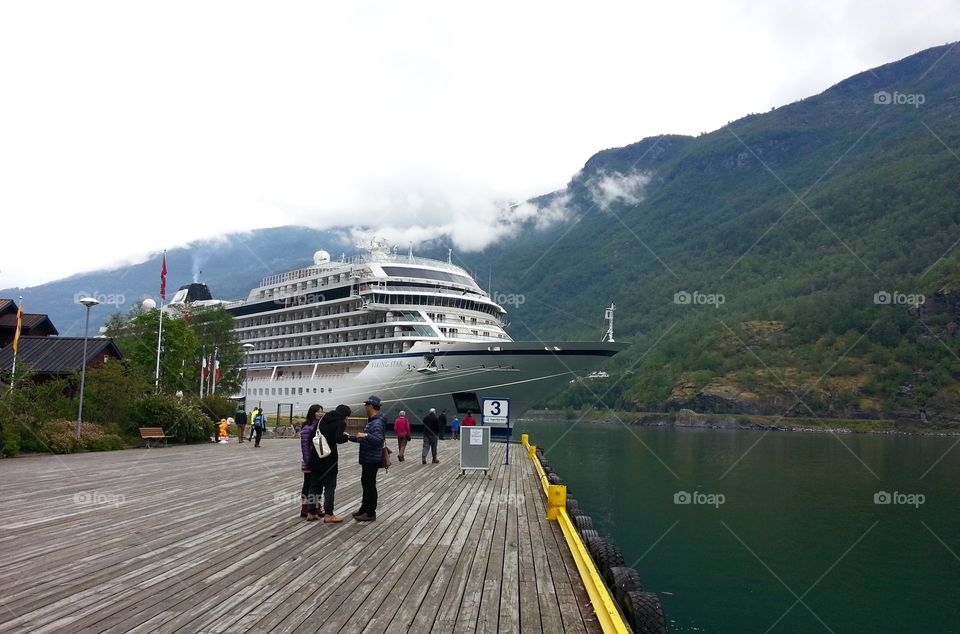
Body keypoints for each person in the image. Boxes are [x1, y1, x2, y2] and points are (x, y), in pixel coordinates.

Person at [304, 404, 351, 523]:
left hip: (316, 457)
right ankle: (329, 514)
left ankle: (311, 512)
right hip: (329, 460)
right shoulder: (340, 422)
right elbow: (338, 439)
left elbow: (313, 435)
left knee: (314, 486)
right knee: (329, 487)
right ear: (344, 415)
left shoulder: (322, 419)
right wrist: (346, 437)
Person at [348, 395, 386, 522]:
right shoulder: (373, 420)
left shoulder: (377, 423)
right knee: (366, 483)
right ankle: (364, 508)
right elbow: (366, 439)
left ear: (371, 406)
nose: (365, 407)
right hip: (368, 458)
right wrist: (349, 436)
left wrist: (365, 435)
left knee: (369, 485)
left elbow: (378, 441)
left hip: (371, 459)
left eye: (366, 405)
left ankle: (370, 513)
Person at [299, 405, 324, 518]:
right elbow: (305, 447)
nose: (320, 414)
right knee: (308, 484)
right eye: (318, 412)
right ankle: (305, 508)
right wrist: (308, 461)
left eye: (321, 412)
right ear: (312, 413)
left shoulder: (319, 426)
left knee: (317, 484)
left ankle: (315, 506)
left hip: (318, 460)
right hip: (309, 460)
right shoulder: (307, 427)